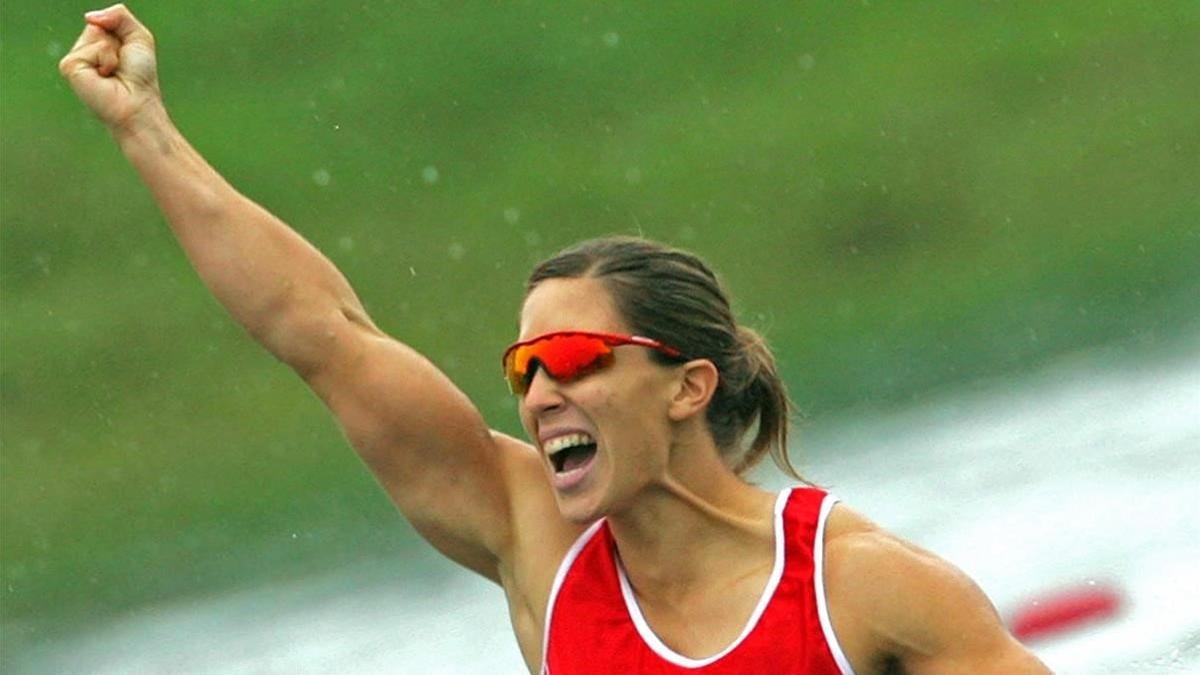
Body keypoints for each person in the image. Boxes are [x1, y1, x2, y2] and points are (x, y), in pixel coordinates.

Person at [59, 5, 1051, 673]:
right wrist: (144, 126)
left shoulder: (870, 593)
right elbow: (319, 333)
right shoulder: (529, 536)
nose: (537, 396)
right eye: (523, 368)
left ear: (687, 386)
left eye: (573, 359)